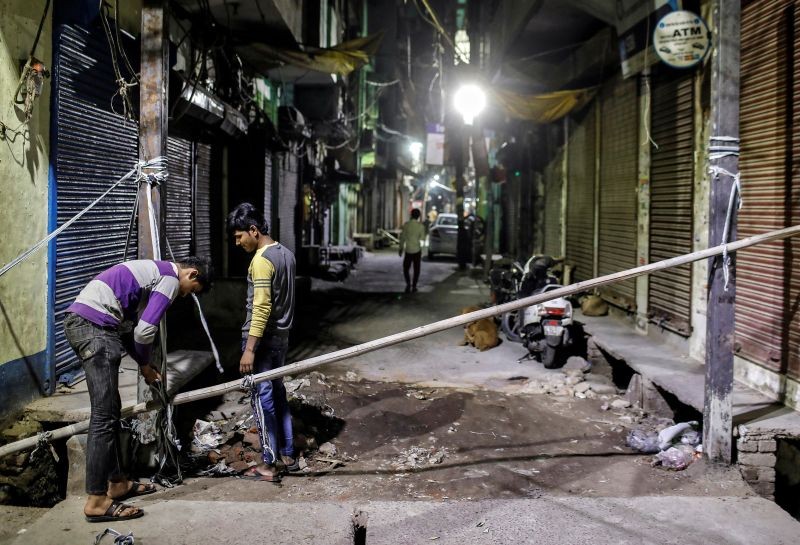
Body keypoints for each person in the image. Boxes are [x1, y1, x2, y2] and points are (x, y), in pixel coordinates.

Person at [63, 256, 213, 522]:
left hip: (90, 325)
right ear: (191, 274)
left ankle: (117, 482)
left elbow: (127, 330)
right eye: (192, 291)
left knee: (110, 411)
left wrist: (144, 365)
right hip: (94, 329)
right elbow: (144, 332)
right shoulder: (168, 277)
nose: (185, 295)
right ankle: (96, 500)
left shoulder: (149, 275)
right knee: (104, 417)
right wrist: (144, 361)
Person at [227, 202, 297, 483]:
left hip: (264, 340)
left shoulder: (260, 261)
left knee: (262, 397)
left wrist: (249, 349)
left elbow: (261, 308)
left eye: (239, 236)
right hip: (282, 337)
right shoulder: (287, 255)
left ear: (253, 231)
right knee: (278, 393)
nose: (237, 242)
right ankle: (288, 453)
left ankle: (269, 464)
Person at [399, 208, 426, 293]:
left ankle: (408, 283)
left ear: (411, 215)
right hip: (417, 250)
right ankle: (414, 286)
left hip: (408, 250)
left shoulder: (406, 225)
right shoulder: (421, 226)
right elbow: (422, 240)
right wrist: (422, 249)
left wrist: (401, 248)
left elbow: (402, 238)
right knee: (416, 269)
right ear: (418, 216)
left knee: (406, 268)